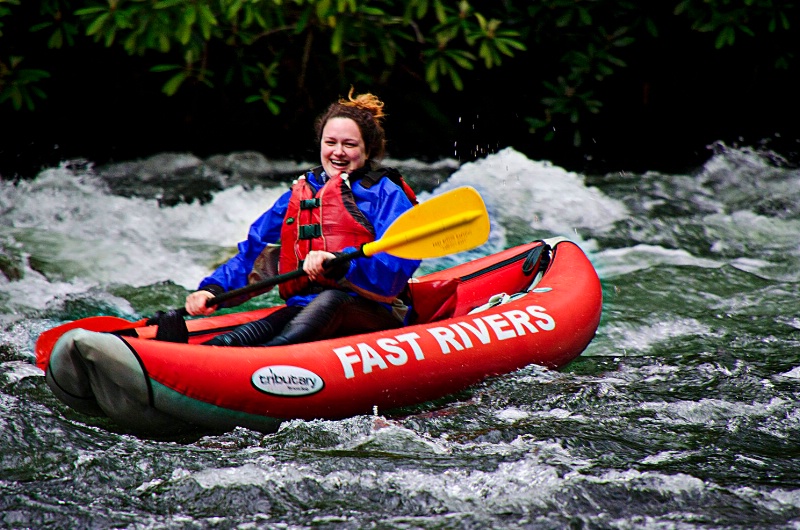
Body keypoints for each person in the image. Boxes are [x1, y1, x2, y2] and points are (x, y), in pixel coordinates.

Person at [156, 89, 420, 346]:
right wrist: (213, 290)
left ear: (367, 150)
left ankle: (260, 363)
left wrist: (342, 264)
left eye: (349, 144)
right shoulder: (302, 193)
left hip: (373, 309)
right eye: (331, 143)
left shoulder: (384, 192)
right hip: (306, 307)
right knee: (260, 328)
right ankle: (200, 354)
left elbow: (397, 266)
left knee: (329, 303)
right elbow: (254, 252)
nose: (338, 152)